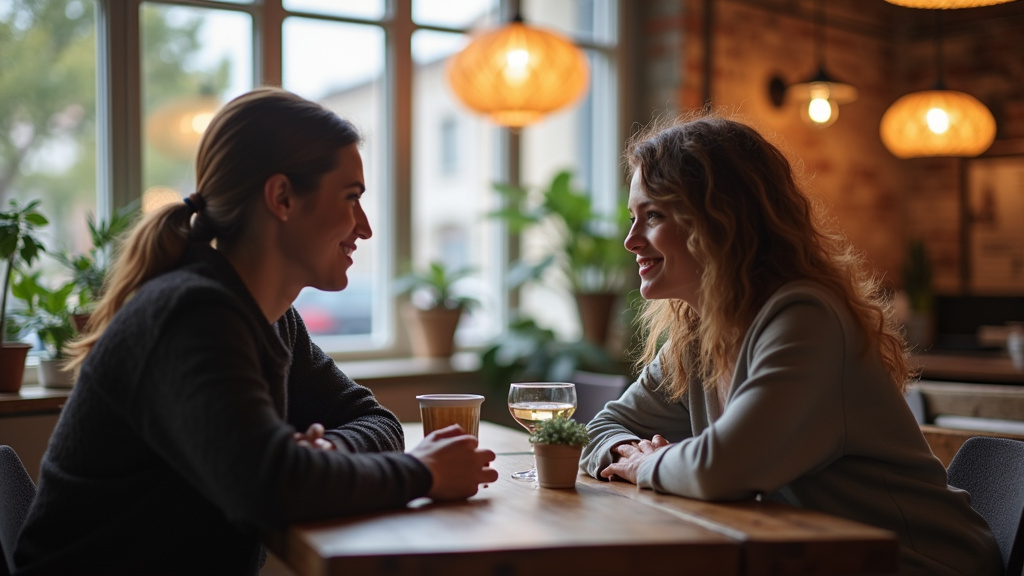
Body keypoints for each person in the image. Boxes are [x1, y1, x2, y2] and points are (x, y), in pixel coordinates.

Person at [13, 87, 498, 576]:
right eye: (351, 197)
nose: (365, 227)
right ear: (282, 197)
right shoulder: (191, 315)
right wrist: (424, 471)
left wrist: (327, 455)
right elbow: (271, 490)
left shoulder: (270, 318)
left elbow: (375, 420)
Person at [580, 116, 1000, 576]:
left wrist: (649, 464)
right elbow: (604, 426)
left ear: (721, 218)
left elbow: (725, 468)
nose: (631, 240)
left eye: (654, 215)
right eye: (633, 217)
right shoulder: (699, 333)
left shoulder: (805, 318)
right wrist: (627, 451)